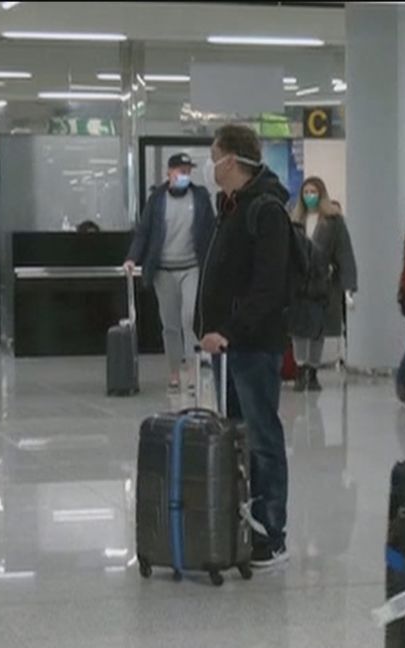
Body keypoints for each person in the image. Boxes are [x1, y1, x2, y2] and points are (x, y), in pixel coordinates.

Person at [197, 124, 292, 569]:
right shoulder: (231, 205)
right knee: (239, 437)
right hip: (230, 348)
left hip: (253, 345)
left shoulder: (266, 209)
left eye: (214, 155)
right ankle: (245, 522)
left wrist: (230, 330)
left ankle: (272, 532)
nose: (210, 165)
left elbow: (270, 287)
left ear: (231, 160)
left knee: (262, 437)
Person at [124, 153, 216, 392]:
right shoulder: (157, 198)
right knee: (171, 324)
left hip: (192, 266)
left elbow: (211, 228)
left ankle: (193, 371)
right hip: (163, 270)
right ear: (169, 172)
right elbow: (143, 232)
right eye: (180, 171)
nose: (184, 175)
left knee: (189, 318)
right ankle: (174, 371)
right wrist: (132, 258)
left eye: (187, 171)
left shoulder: (200, 197)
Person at [289, 176, 357, 393]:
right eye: (306, 192)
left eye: (314, 192)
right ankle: (300, 369)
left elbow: (344, 253)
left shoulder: (333, 221)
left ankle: (313, 370)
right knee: (298, 328)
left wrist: (348, 287)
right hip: (298, 282)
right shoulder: (294, 220)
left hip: (322, 282)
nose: (310, 196)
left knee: (318, 328)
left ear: (321, 193)